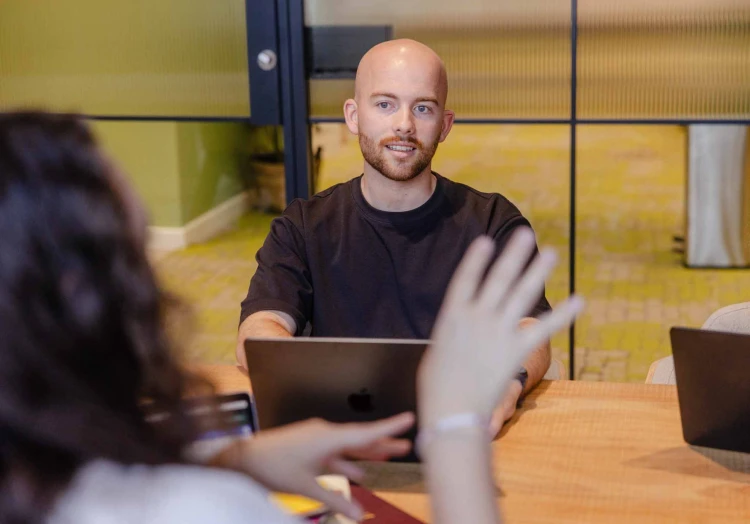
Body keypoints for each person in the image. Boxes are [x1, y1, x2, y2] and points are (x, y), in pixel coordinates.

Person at [0, 111, 583, 524]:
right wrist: (454, 440)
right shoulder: (197, 509)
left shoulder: (40, 465)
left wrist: (229, 457)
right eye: (138, 251)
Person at [238, 39, 553, 435]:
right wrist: (312, 384)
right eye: (385, 104)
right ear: (353, 116)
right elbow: (260, 327)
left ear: (445, 125)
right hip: (336, 435)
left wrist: (504, 386)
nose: (404, 124)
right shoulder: (303, 226)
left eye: (422, 108)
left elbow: (530, 330)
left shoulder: (492, 222)